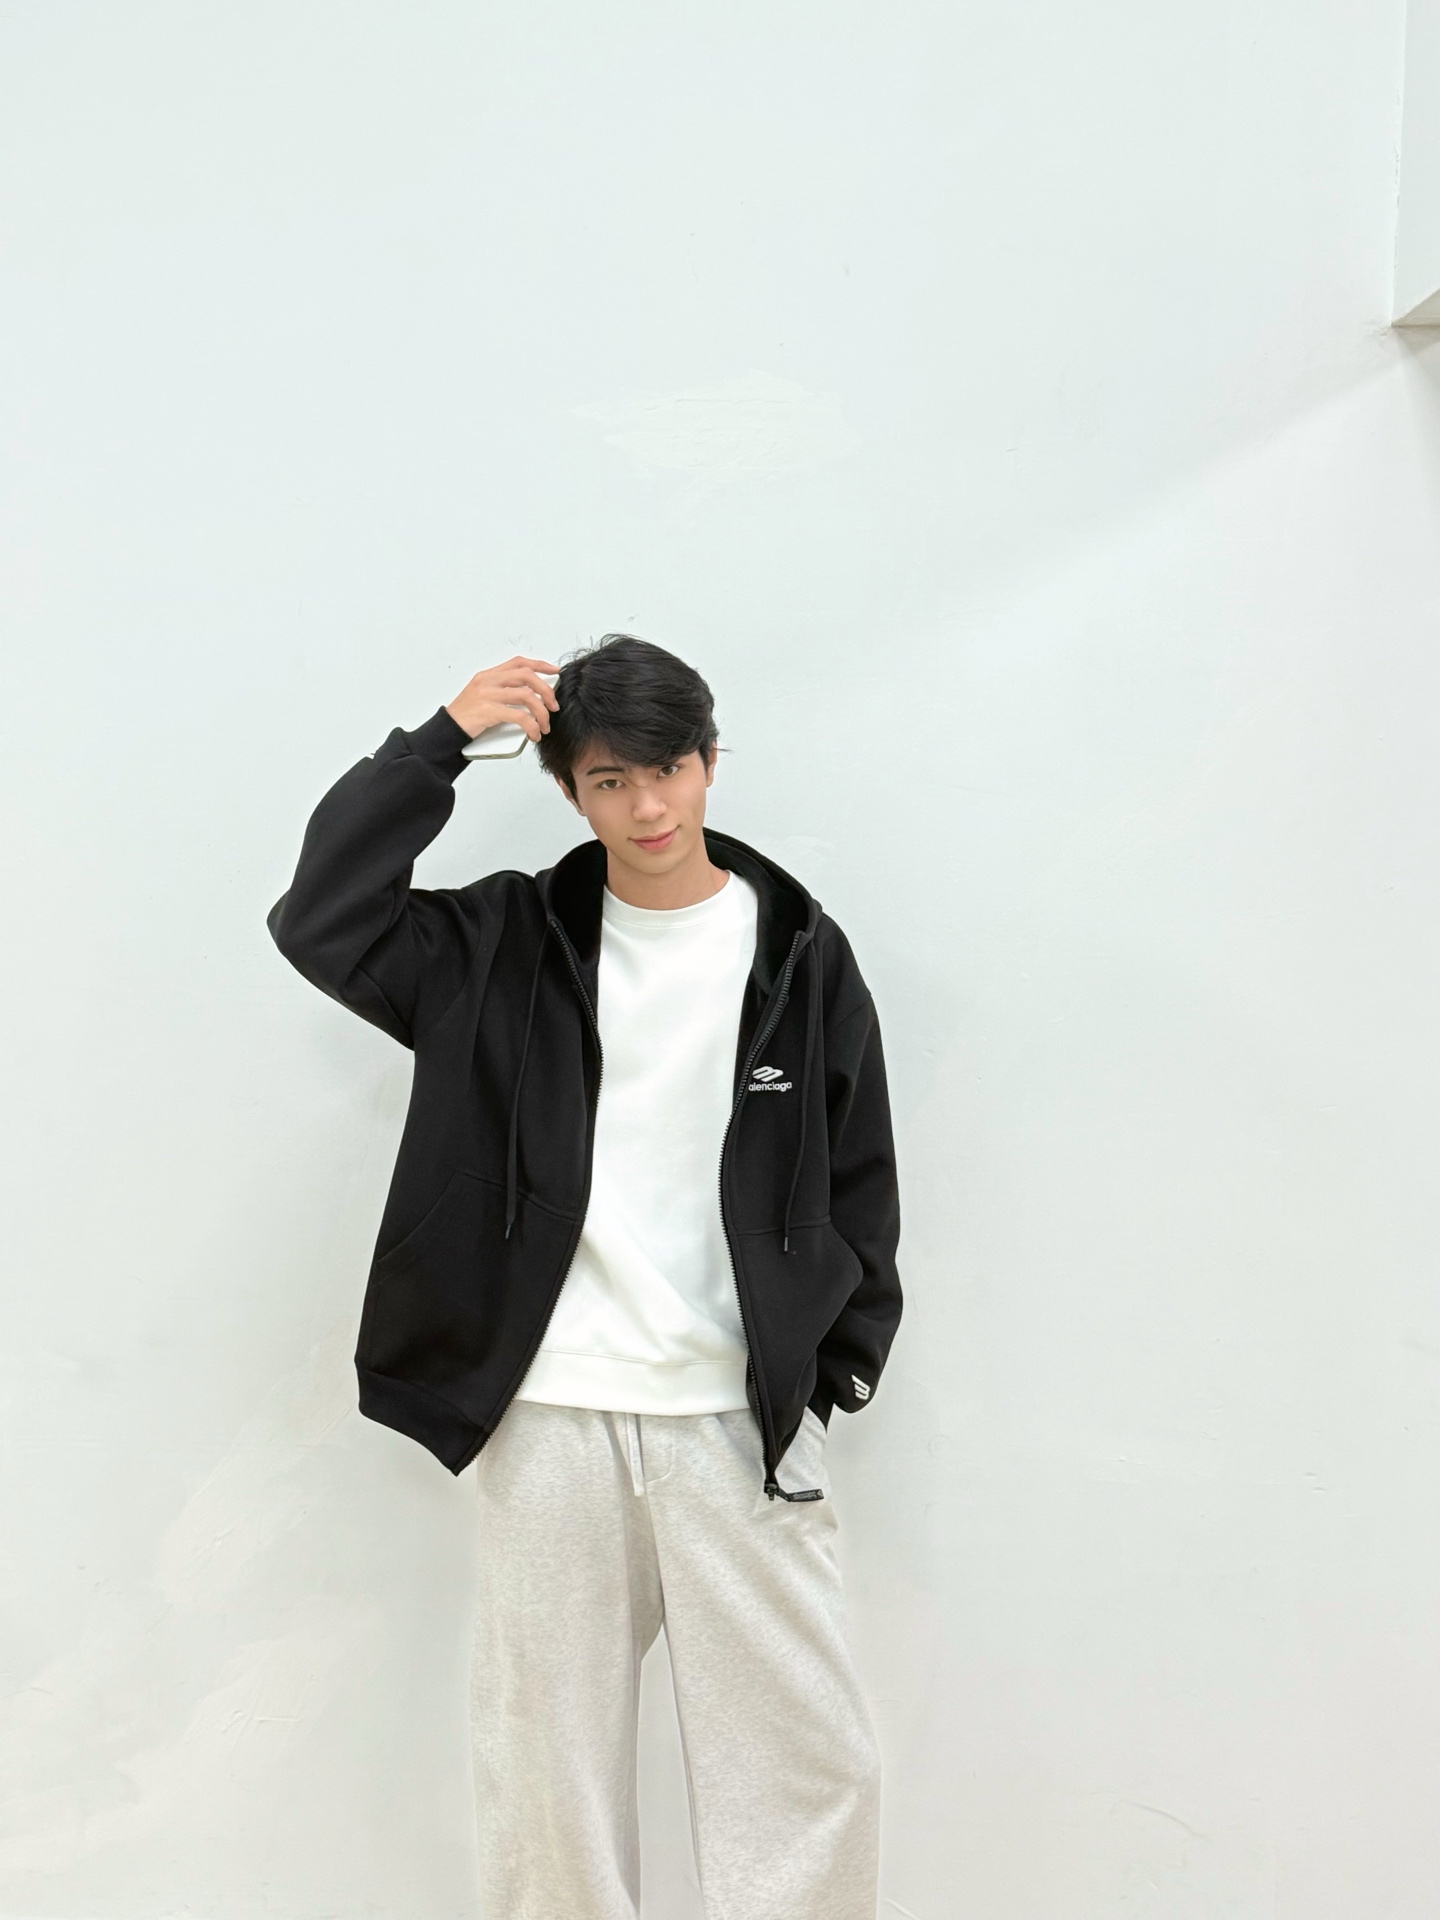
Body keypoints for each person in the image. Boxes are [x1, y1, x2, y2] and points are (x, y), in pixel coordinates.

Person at [267, 634, 903, 1920]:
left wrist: (831, 1362)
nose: (648, 805)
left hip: (738, 1418)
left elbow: (860, 1174)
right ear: (569, 791)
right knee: (547, 1771)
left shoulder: (797, 950)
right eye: (611, 780)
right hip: (554, 1410)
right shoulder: (498, 944)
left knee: (806, 1764)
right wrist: (439, 742)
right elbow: (322, 916)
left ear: (711, 761)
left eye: (669, 768)